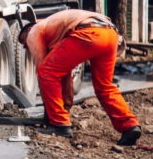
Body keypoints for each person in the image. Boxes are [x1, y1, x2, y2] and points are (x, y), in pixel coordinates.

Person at [18, 9, 141, 145]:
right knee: (104, 86)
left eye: (25, 43)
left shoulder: (34, 30)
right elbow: (64, 74)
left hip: (89, 32)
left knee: (45, 72)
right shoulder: (55, 28)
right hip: (110, 34)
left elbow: (43, 71)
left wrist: (51, 113)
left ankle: (59, 124)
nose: (26, 47)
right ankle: (130, 126)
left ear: (28, 29)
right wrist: (64, 106)